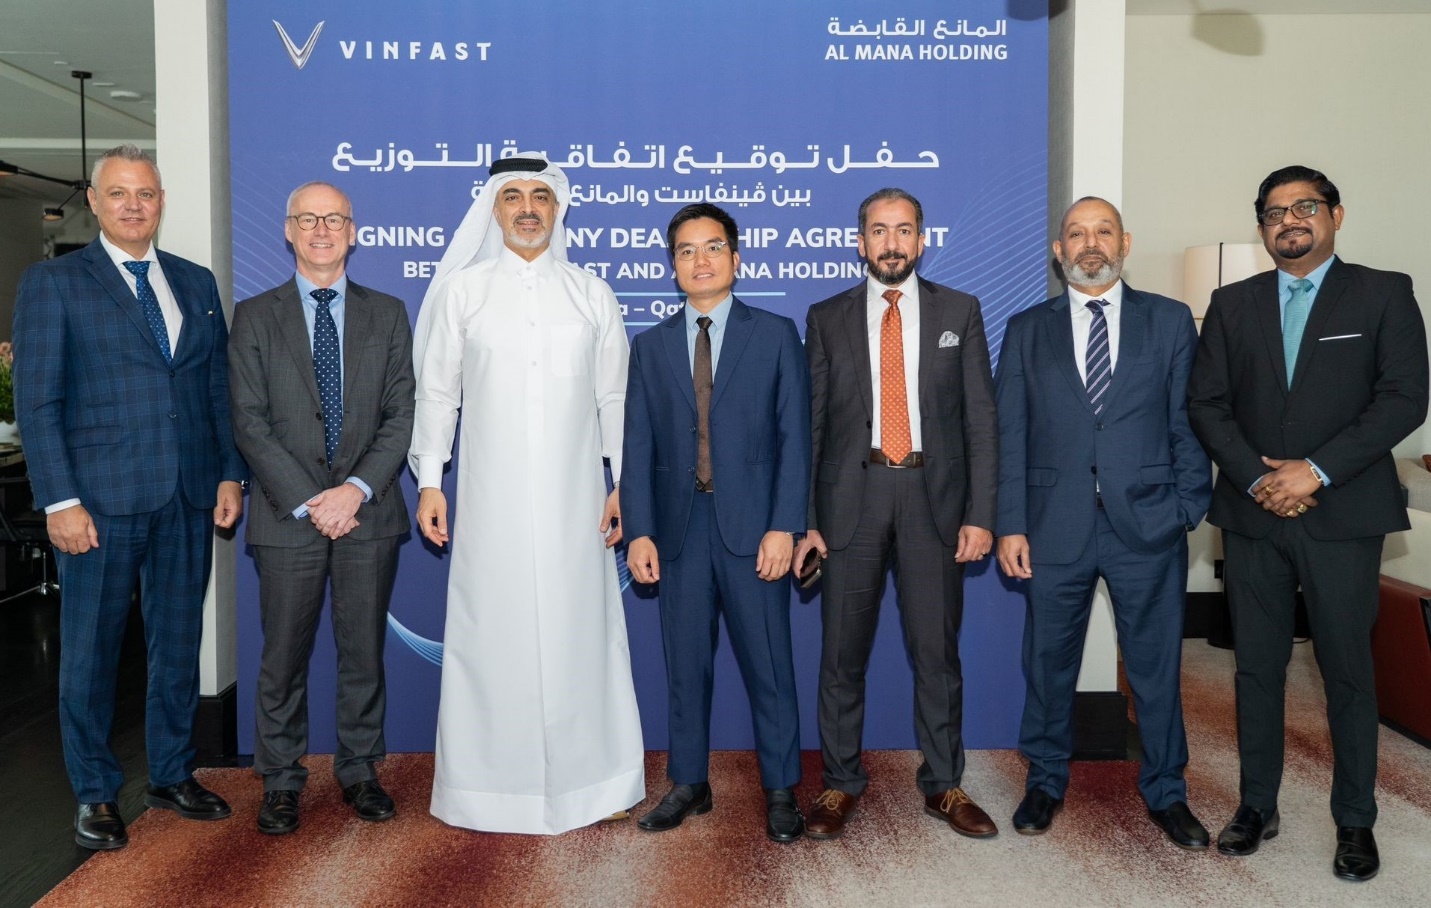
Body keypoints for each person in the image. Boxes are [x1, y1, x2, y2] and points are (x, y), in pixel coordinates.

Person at [1188, 165, 1428, 882]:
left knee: (1346, 670)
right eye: (1273, 212)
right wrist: (1261, 478)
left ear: (1335, 215)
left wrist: (1314, 471)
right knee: (1255, 668)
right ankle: (1256, 805)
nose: (1288, 220)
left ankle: (1354, 819)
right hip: (1253, 513)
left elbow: (1402, 398)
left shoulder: (1383, 292)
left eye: (1304, 207)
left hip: (1343, 513)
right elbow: (1206, 404)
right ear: (1261, 226)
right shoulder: (1231, 303)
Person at [13, 144, 248, 851]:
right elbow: (38, 402)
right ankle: (94, 791)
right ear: (94, 201)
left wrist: (229, 472)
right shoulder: (54, 282)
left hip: (187, 495)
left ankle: (171, 773)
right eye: (118, 193)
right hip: (98, 502)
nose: (133, 205)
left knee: (176, 644)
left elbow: (215, 389)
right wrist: (59, 501)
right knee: (91, 651)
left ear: (161, 201)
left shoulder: (195, 282)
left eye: (145, 193)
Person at [409, 153, 644, 834]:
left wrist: (622, 483)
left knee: (581, 635)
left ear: (557, 208)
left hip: (577, 503)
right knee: (493, 635)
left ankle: (596, 785)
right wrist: (431, 481)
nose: (528, 208)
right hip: (491, 504)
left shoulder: (590, 293)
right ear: (494, 209)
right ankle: (485, 792)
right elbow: (438, 394)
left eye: (540, 196)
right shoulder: (464, 293)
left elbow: (614, 398)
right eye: (513, 196)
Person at [994, 197, 1212, 846]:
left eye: (1103, 231)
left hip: (1146, 524)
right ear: (1058, 250)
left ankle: (1166, 790)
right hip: (1051, 526)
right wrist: (1010, 524)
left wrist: (1187, 507)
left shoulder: (1168, 321)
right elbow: (1010, 433)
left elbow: (1188, 422)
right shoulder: (1026, 328)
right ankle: (1045, 781)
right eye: (1076, 233)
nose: (1090, 243)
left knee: (1154, 667)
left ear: (1124, 242)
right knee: (1047, 663)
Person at [794, 187, 999, 840]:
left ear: (921, 239)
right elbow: (811, 426)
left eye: (903, 230)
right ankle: (839, 784)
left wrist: (980, 513)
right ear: (860, 242)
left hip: (933, 502)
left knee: (937, 655)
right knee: (840, 658)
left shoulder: (959, 310)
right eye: (879, 231)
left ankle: (943, 784)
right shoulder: (826, 317)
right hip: (848, 505)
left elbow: (980, 419)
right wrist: (808, 520)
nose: (891, 243)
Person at [228, 181, 415, 835]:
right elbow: (249, 421)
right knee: (283, 656)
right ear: (288, 230)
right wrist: (313, 500)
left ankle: (360, 770)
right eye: (307, 219)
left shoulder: (388, 313)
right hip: (288, 517)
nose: (321, 230)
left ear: (352, 232)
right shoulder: (255, 315)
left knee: (363, 653)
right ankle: (281, 780)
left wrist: (354, 489)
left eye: (333, 219)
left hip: (368, 512)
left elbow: (401, 414)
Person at [622, 204, 811, 843]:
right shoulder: (649, 346)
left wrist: (785, 525)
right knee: (685, 665)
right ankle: (688, 782)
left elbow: (795, 438)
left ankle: (780, 788)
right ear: (673, 266)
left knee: (769, 664)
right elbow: (637, 445)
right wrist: (640, 530)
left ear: (735, 258)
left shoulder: (776, 334)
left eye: (711, 247)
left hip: (755, 528)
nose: (699, 260)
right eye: (685, 250)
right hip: (679, 530)